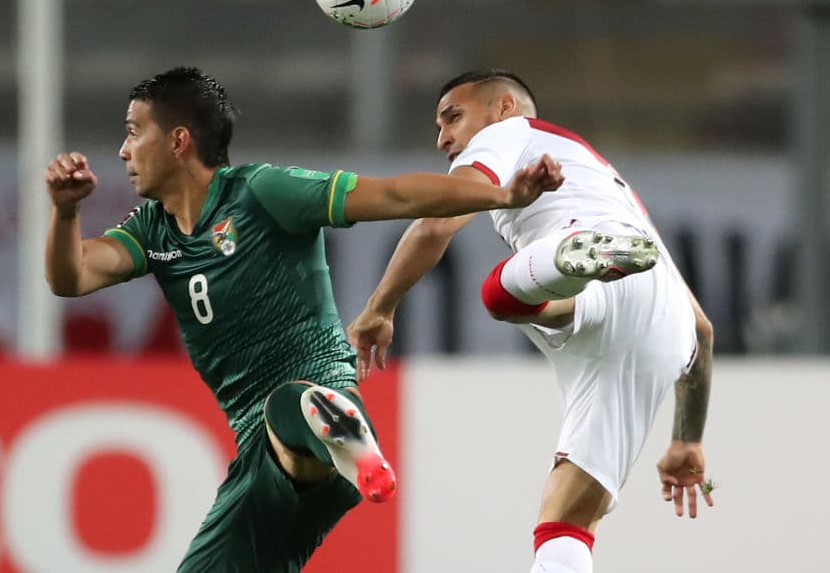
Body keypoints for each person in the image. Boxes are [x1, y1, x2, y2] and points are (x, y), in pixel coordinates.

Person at [43, 66, 564, 573]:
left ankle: (336, 425)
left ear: (178, 141)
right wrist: (66, 213)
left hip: (315, 405)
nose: (123, 151)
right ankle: (337, 437)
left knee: (288, 403)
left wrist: (502, 194)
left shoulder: (262, 192)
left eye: (135, 133)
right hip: (259, 455)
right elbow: (73, 276)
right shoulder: (154, 231)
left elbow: (395, 196)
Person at [348, 69, 715, 573]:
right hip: (661, 309)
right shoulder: (615, 191)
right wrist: (686, 440)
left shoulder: (507, 134)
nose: (442, 139)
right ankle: (571, 266)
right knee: (566, 519)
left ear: (502, 108)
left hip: (594, 279)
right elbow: (701, 333)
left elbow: (435, 222)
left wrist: (379, 308)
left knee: (500, 296)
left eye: (452, 117)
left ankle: (567, 262)